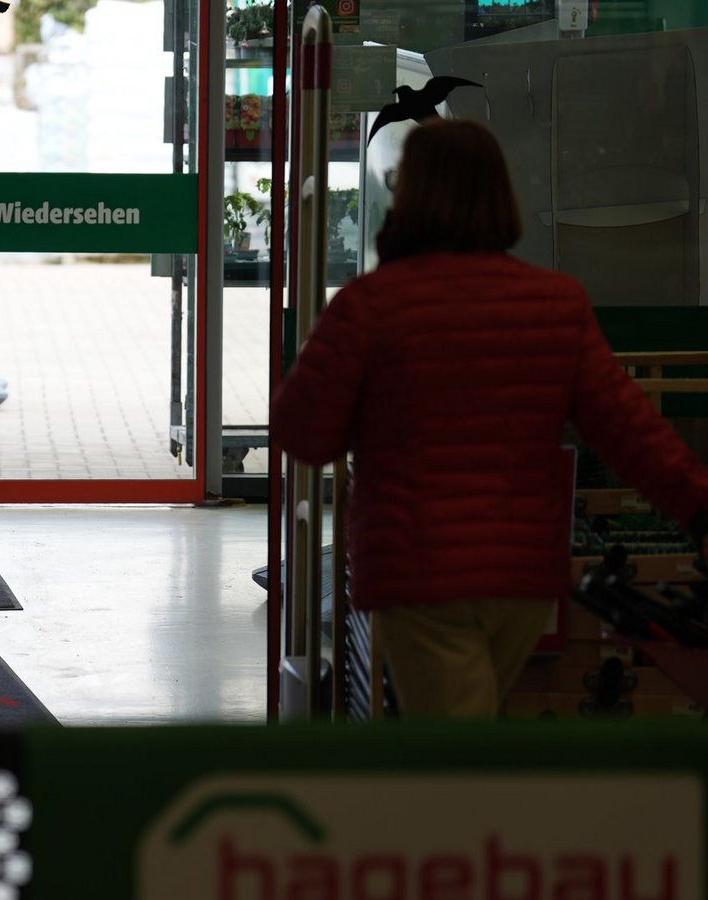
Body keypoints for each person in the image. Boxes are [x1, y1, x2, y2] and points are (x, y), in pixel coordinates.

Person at [271, 118, 708, 718]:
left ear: (412, 195)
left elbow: (302, 434)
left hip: (419, 574)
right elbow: (630, 431)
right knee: (471, 742)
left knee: (458, 766)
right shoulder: (555, 303)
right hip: (522, 580)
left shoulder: (372, 306)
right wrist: (699, 505)